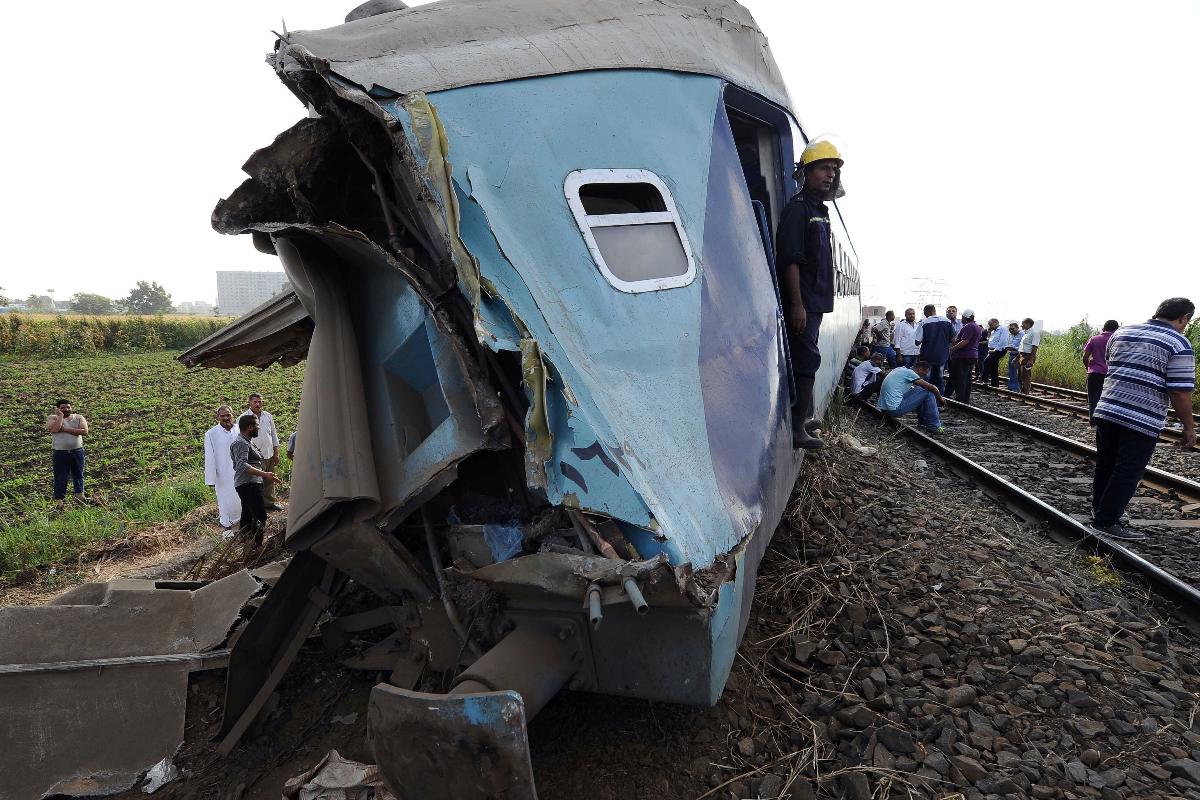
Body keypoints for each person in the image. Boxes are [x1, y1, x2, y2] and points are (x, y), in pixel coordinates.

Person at [1091, 298, 1196, 540]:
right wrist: (1189, 427)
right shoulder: (1179, 343)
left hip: (1107, 408)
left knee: (1106, 463)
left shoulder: (1123, 332)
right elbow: (1179, 391)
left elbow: (1111, 364)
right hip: (1141, 416)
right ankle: (1106, 521)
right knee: (1128, 470)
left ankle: (1101, 512)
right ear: (1184, 318)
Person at [776, 138, 845, 449]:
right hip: (803, 303)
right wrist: (797, 305)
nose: (829, 174)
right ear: (807, 172)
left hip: (815, 303)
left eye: (833, 169)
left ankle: (802, 418)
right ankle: (796, 430)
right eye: (822, 168)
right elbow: (791, 259)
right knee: (806, 360)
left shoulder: (821, 211)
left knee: (809, 357)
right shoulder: (798, 209)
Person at [231, 413, 282, 544]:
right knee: (260, 516)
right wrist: (265, 474)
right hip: (248, 484)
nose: (259, 428)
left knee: (247, 515)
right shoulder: (241, 443)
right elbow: (242, 465)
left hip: (250, 484)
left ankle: (246, 542)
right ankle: (256, 545)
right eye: (257, 426)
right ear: (249, 427)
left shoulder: (246, 442)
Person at [878, 360, 946, 433]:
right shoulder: (910, 373)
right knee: (928, 393)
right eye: (924, 374)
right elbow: (933, 387)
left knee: (922, 390)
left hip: (884, 409)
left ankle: (923, 421)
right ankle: (934, 426)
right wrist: (941, 399)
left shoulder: (900, 369)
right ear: (919, 369)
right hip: (894, 410)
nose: (923, 377)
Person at [203, 406, 241, 530]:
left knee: (241, 496)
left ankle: (243, 519)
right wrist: (211, 479)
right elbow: (209, 457)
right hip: (223, 473)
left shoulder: (239, 429)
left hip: (240, 471)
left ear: (232, 415)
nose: (226, 418)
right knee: (225, 499)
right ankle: (226, 524)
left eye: (228, 415)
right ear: (217, 417)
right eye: (222, 416)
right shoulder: (211, 434)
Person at [243, 392, 281, 510]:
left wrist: (276, 453)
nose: (258, 404)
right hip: (254, 456)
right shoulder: (244, 418)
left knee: (269, 480)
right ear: (250, 403)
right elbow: (242, 438)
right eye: (255, 402)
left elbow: (273, 435)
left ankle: (269, 503)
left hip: (269, 453)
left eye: (260, 401)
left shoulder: (268, 416)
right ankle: (258, 505)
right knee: (257, 482)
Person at [46, 398, 89, 502]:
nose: (66, 409)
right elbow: (54, 429)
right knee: (61, 477)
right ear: (58, 409)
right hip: (60, 453)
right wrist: (60, 416)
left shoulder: (78, 417)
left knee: (78, 474)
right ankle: (59, 501)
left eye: (68, 407)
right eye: (63, 408)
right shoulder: (53, 418)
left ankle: (80, 497)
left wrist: (65, 429)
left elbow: (84, 431)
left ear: (71, 407)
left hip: (77, 451)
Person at [1082, 320, 1119, 424]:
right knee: (1110, 398)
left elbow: (1085, 357)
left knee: (1093, 398)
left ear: (1104, 328)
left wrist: (1088, 368)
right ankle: (1107, 420)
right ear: (1117, 329)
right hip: (1111, 375)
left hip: (1094, 373)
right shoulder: (1117, 341)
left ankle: (1093, 421)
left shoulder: (1094, 339)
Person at [914, 304, 953, 394]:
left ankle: (924, 400)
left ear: (926, 312)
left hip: (928, 356)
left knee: (926, 379)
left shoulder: (924, 322)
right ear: (934, 310)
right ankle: (940, 401)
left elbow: (917, 342)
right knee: (939, 378)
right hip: (942, 356)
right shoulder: (947, 321)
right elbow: (953, 339)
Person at [947, 309, 982, 404]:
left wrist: (952, 349)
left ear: (965, 317)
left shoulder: (969, 326)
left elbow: (965, 341)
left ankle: (960, 399)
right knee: (967, 378)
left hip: (962, 356)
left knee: (960, 378)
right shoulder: (977, 326)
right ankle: (965, 399)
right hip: (972, 355)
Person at [981, 318, 1011, 387]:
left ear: (995, 323)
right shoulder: (993, 331)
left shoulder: (1003, 329)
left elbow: (1002, 340)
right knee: (993, 366)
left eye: (991, 325)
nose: (990, 326)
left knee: (986, 362)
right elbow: (990, 341)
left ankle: (984, 380)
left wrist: (995, 350)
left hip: (999, 350)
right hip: (992, 350)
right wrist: (989, 332)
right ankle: (995, 383)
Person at [1017, 318, 1040, 394]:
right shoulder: (1026, 333)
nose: (1021, 325)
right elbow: (1022, 347)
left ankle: (1026, 392)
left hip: (1028, 356)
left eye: (1023, 323)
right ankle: (1022, 391)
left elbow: (1035, 347)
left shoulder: (1034, 333)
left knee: (1025, 375)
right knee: (1020, 374)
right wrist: (1018, 357)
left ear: (1028, 324)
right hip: (1022, 355)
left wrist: (1031, 360)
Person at [1005, 322, 1024, 391]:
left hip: (1018, 355)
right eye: (1009, 329)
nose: (1011, 330)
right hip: (1011, 354)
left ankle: (1016, 388)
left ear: (1017, 327)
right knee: (1011, 372)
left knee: (1016, 372)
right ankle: (1012, 387)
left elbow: (1023, 347)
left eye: (1012, 329)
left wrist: (1014, 348)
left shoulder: (1022, 334)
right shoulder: (1011, 335)